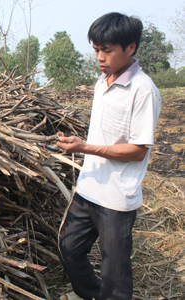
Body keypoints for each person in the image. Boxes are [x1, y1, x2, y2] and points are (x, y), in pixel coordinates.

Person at [56, 12, 161, 300]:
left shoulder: (143, 91)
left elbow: (138, 151)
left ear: (130, 48)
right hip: (89, 188)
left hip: (116, 198)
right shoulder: (101, 85)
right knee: (69, 249)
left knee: (115, 273)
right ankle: (91, 295)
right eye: (96, 50)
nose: (100, 57)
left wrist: (84, 147)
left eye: (107, 50)